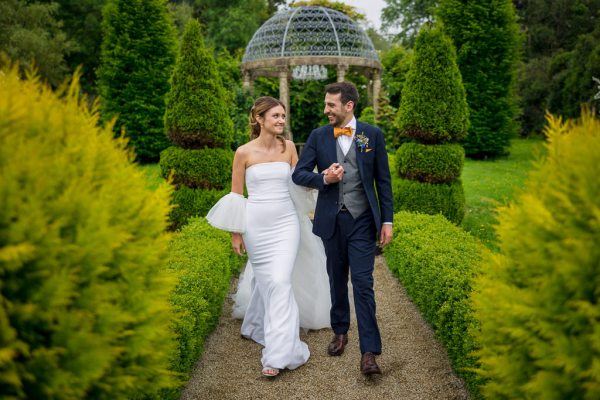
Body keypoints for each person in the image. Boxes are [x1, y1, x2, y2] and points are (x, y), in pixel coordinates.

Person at [206, 96, 330, 377]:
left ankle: (280, 353)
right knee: (266, 282)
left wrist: (322, 180)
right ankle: (256, 324)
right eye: (275, 116)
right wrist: (236, 234)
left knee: (279, 280)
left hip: (287, 223)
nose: (281, 121)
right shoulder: (243, 153)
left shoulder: (289, 149)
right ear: (259, 119)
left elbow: (301, 183)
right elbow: (237, 196)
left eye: (283, 116)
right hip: (256, 227)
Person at [292, 82, 394, 376]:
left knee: (363, 283)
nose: (326, 110)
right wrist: (324, 178)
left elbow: (383, 181)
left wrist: (387, 220)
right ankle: (340, 330)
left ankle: (370, 351)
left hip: (363, 221)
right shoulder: (318, 136)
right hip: (331, 220)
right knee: (336, 278)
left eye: (331, 105)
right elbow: (299, 173)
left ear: (348, 106)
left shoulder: (371, 135)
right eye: (326, 105)